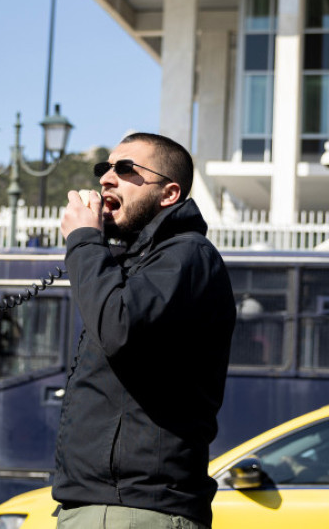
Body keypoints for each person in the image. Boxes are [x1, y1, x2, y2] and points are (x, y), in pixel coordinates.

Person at [52, 132, 236, 529]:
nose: (106, 179)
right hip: (102, 503)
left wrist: (84, 241)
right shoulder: (133, 263)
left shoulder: (187, 255)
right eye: (105, 169)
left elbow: (118, 328)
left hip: (134, 509)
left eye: (125, 169)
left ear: (169, 194)